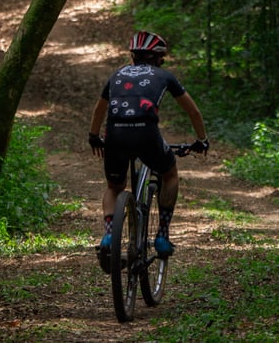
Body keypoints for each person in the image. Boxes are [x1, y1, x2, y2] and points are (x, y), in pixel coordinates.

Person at [89, 30, 209, 271]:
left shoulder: (116, 75)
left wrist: (94, 137)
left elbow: (99, 110)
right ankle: (162, 236)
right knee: (169, 174)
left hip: (114, 134)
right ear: (158, 58)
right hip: (146, 134)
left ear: (133, 56)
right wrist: (201, 140)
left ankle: (109, 235)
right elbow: (193, 112)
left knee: (114, 187)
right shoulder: (165, 76)